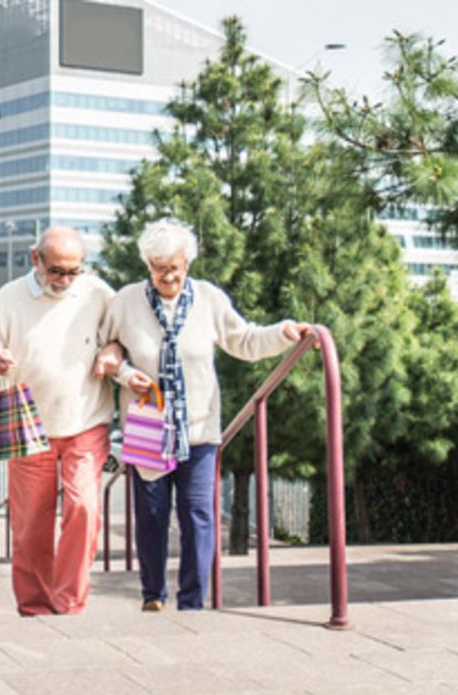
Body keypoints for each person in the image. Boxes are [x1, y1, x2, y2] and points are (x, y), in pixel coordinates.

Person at [100, 219, 311, 612]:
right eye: (159, 267)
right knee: (151, 516)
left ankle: (192, 600)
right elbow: (107, 352)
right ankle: (153, 595)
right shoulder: (126, 301)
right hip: (148, 426)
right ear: (148, 264)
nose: (168, 275)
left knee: (199, 516)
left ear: (188, 263)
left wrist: (283, 332)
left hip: (198, 430)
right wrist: (129, 376)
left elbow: (244, 340)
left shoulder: (208, 299)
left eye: (175, 266)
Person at [0, 226, 117, 616]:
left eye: (74, 271)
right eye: (57, 271)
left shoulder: (98, 293)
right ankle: (36, 607)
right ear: (34, 259)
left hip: (86, 419)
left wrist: (112, 356)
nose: (65, 280)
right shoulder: (10, 296)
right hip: (26, 419)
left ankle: (69, 602)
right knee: (29, 525)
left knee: (83, 507)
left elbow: (120, 339)